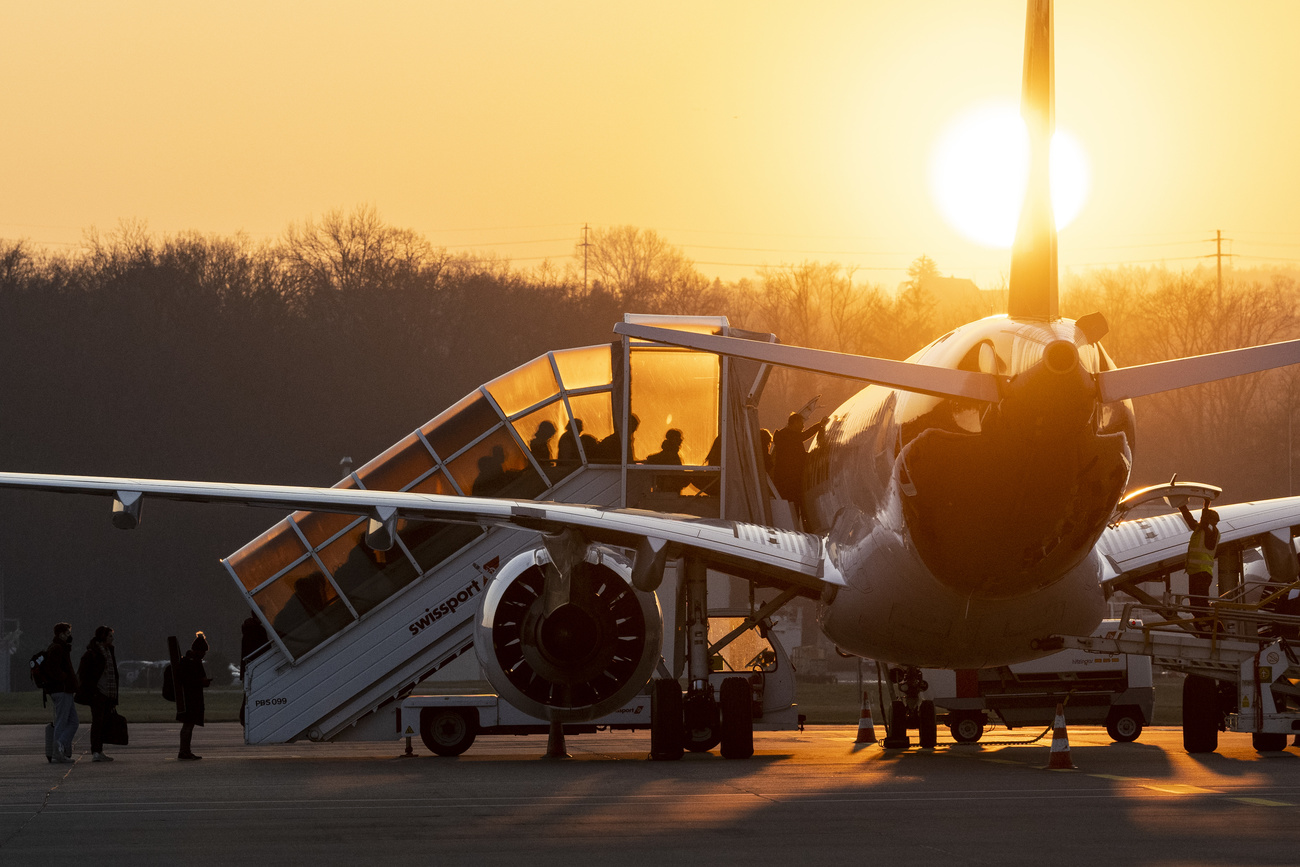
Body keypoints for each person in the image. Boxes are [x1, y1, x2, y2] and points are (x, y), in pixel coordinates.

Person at [771, 411, 825, 525]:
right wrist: (819, 425)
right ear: (794, 423)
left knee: (792, 508)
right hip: (790, 481)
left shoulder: (785, 437)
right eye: (801, 423)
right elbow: (803, 437)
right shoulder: (788, 436)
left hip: (785, 480)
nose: (803, 426)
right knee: (794, 507)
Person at [76, 626, 120, 762]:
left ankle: (99, 750)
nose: (112, 639)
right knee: (97, 722)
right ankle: (95, 751)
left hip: (108, 693)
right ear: (103, 637)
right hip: (98, 693)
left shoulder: (109, 651)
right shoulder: (92, 653)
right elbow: (83, 673)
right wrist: (93, 691)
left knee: (103, 722)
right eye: (110, 636)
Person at [1180, 505, 1220, 631]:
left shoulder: (1210, 530)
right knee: (1196, 605)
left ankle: (1213, 627)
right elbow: (1190, 521)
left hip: (1202, 572)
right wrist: (1182, 507)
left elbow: (1203, 521)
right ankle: (1204, 627)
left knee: (1200, 605)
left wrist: (1206, 504)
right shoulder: (1201, 529)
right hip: (1197, 572)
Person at [45, 622, 79, 763]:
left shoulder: (60, 648)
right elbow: (54, 670)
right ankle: (57, 750)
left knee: (73, 722)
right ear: (61, 634)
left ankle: (59, 746)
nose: (69, 636)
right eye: (67, 633)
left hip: (66, 690)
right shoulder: (58, 648)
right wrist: (65, 679)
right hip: (62, 690)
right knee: (62, 721)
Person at [176, 631, 212, 760]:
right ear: (199, 650)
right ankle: (184, 751)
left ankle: (185, 750)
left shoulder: (185, 661)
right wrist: (203, 682)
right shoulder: (193, 662)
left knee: (187, 726)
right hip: (191, 698)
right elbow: (192, 680)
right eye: (203, 652)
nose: (203, 655)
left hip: (188, 698)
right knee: (188, 726)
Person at [239, 615, 269, 727]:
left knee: (247, 694)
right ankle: (247, 717)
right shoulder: (259, 631)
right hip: (257, 667)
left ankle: (244, 717)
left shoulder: (246, 631)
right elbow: (266, 648)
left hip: (247, 667)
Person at [646, 429, 689, 494]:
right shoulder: (672, 455)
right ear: (674, 439)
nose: (681, 440)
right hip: (670, 489)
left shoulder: (667, 453)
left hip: (664, 488)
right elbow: (677, 473)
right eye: (679, 438)